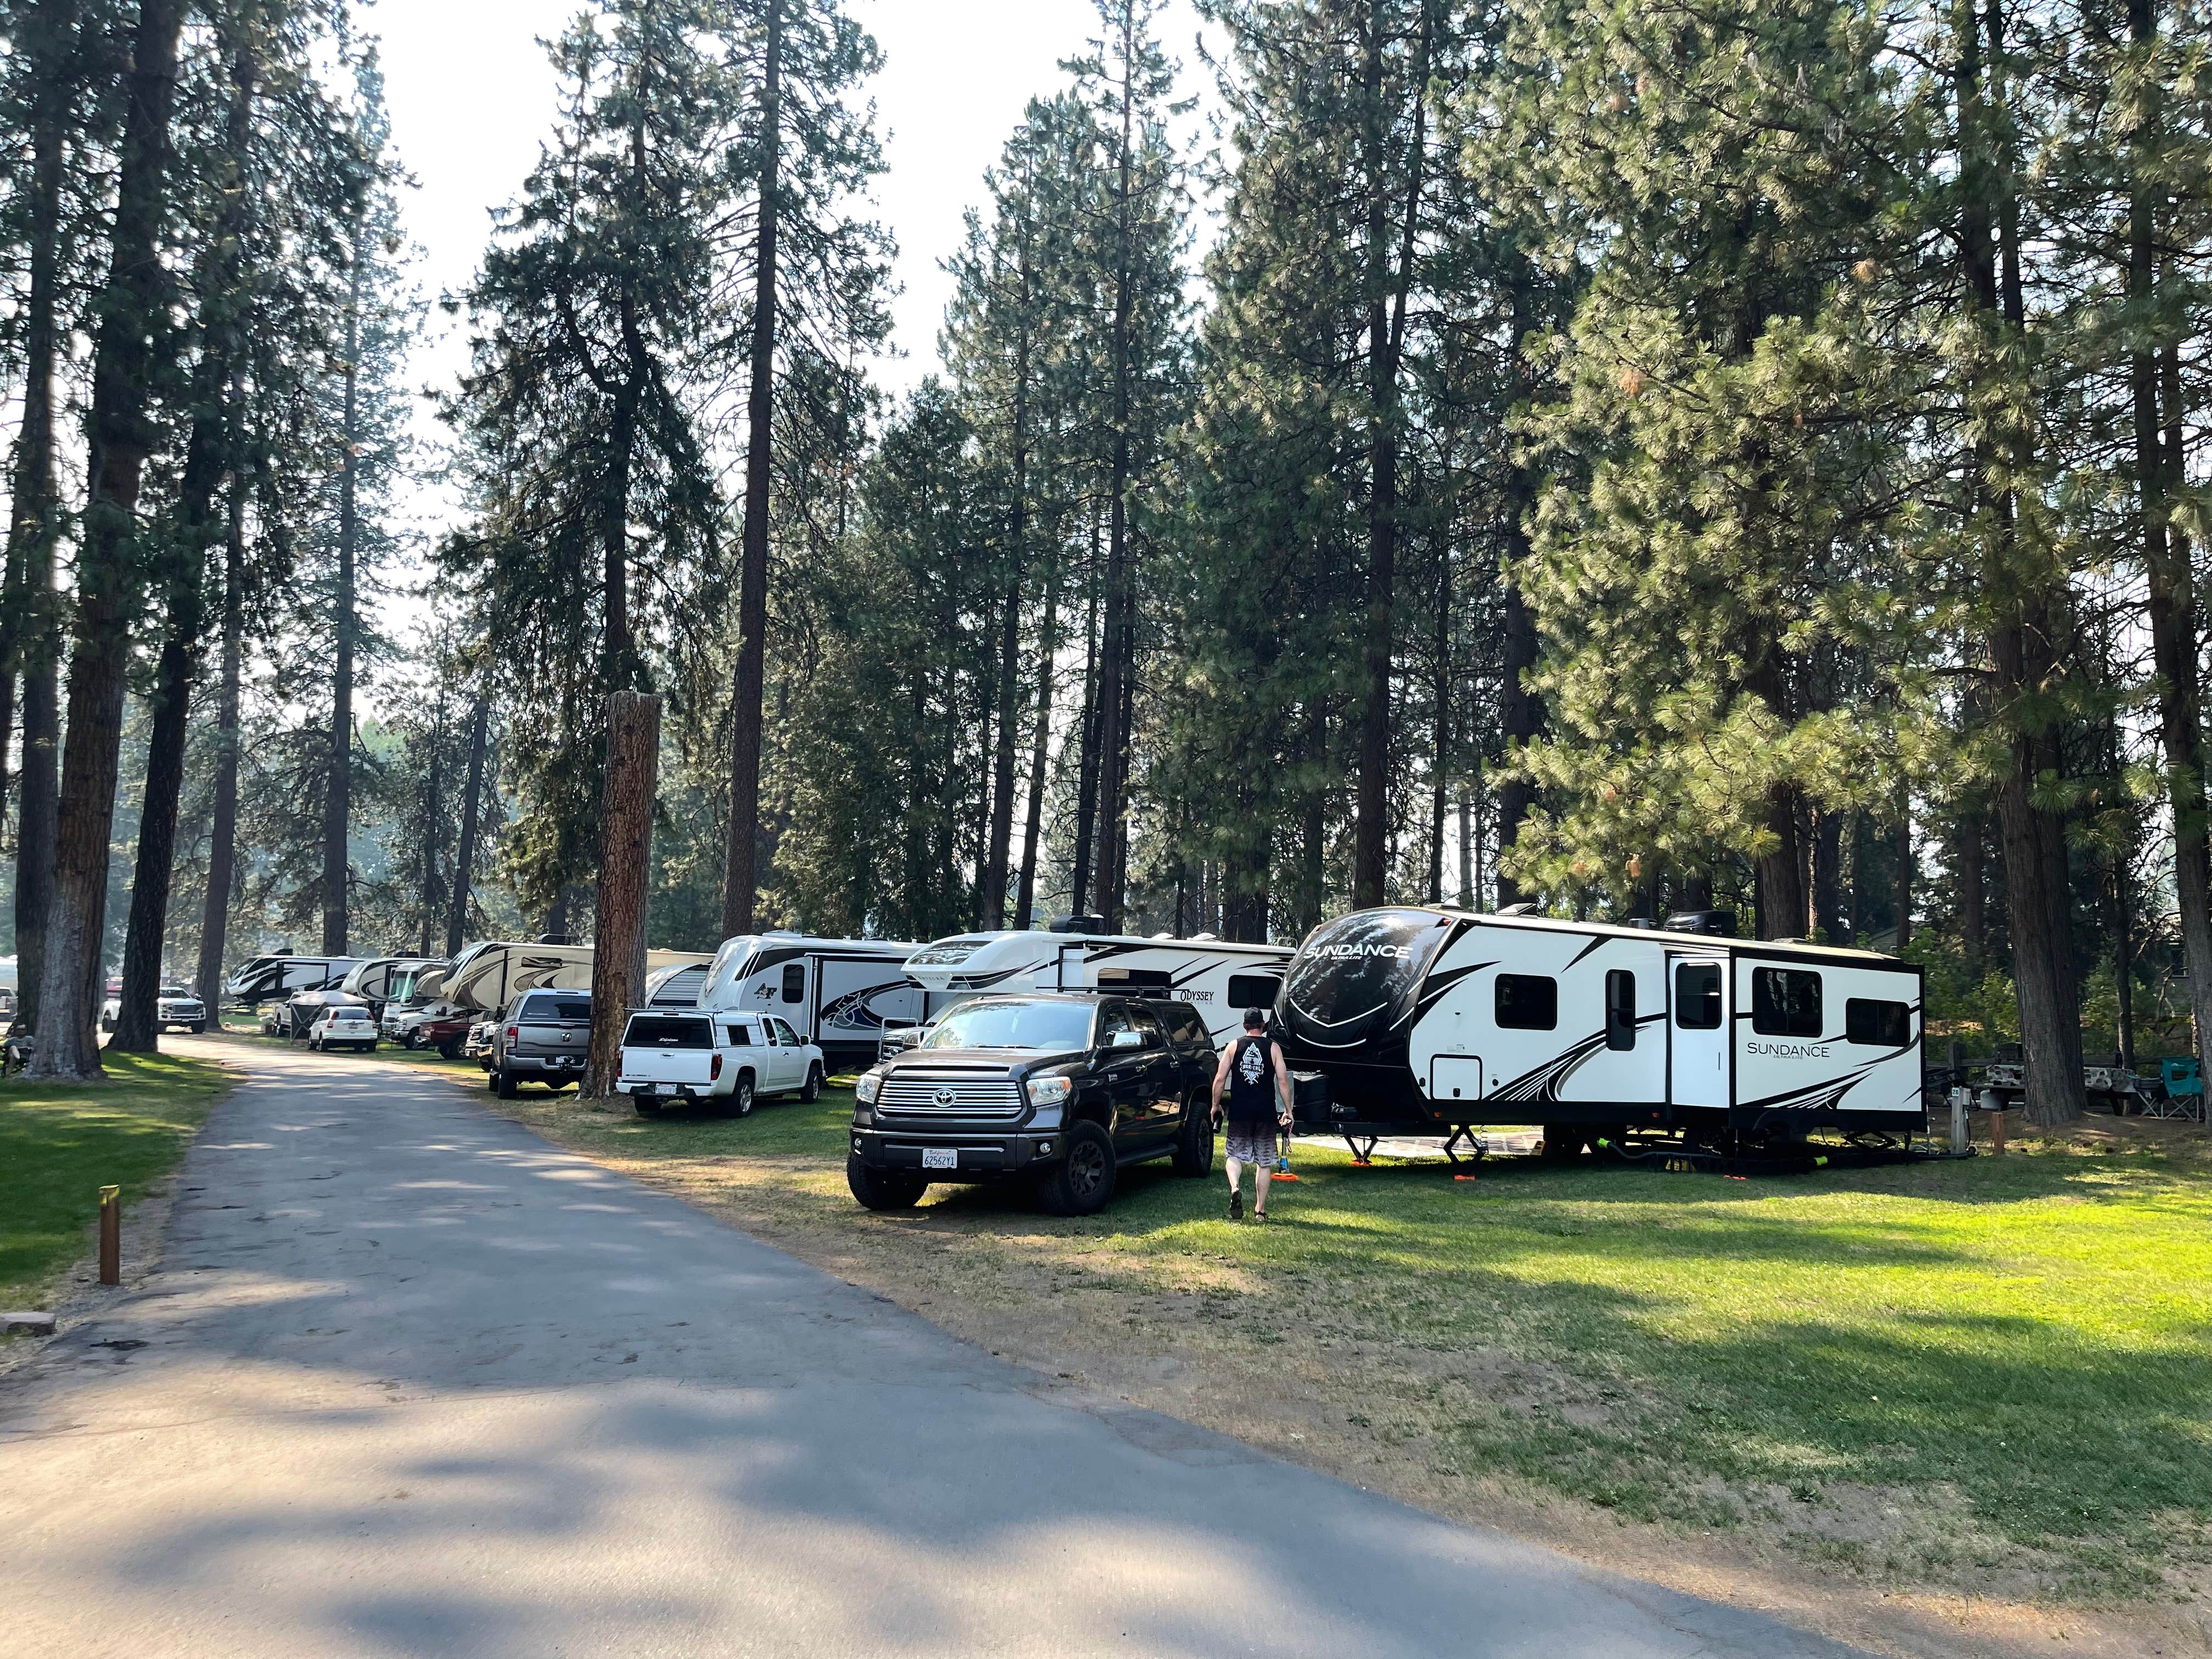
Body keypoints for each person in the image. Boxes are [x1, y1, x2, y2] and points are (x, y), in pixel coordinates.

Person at [1212, 1007, 1293, 1221]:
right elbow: (1283, 1081)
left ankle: (1235, 1187)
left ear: (1245, 1026)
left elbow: (1220, 1079)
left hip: (1240, 1111)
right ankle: (1260, 1211)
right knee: (1264, 1162)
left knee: (1233, 1154)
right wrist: (1288, 1110)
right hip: (1265, 1113)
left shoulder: (1234, 1046)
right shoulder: (1273, 1048)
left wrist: (1215, 1105)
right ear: (1263, 1026)